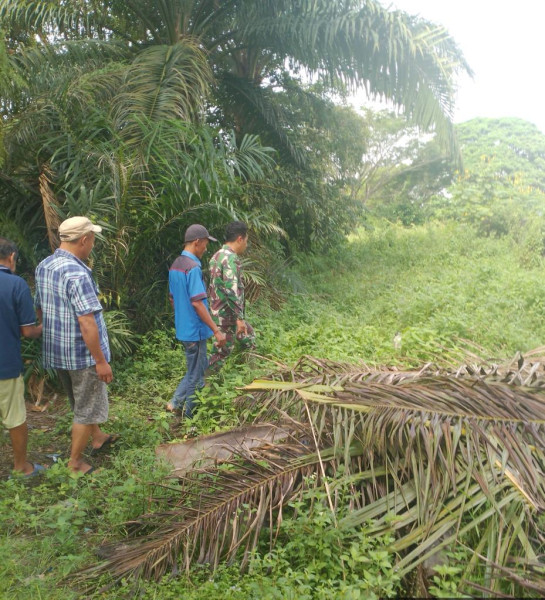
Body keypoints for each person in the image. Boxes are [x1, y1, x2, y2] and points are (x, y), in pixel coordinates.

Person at [35, 216, 117, 475]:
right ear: (84, 240)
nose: (92, 243)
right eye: (92, 238)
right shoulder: (77, 272)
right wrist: (100, 361)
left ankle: (97, 437)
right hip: (83, 356)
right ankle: (75, 463)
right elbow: (87, 323)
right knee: (85, 407)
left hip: (58, 352)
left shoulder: (44, 266)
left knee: (80, 400)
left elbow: (40, 307)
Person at [167, 224, 226, 416]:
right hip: (195, 331)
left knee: (195, 367)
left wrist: (182, 316)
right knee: (196, 375)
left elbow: (172, 298)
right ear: (197, 242)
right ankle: (189, 417)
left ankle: (174, 404)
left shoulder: (176, 264)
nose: (206, 248)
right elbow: (199, 304)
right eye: (206, 244)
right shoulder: (192, 268)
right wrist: (216, 331)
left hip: (184, 329)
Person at [0, 238, 45, 477]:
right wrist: (44, 325)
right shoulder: (15, 284)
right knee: (15, 417)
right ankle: (21, 467)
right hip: (4, 365)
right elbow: (28, 331)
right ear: (11, 258)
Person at [208, 221, 255, 372]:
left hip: (218, 311)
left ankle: (249, 370)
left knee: (248, 336)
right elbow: (232, 290)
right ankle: (205, 384)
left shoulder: (216, 256)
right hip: (227, 314)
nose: (246, 245)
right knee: (221, 353)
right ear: (240, 239)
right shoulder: (231, 259)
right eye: (246, 241)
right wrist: (239, 318)